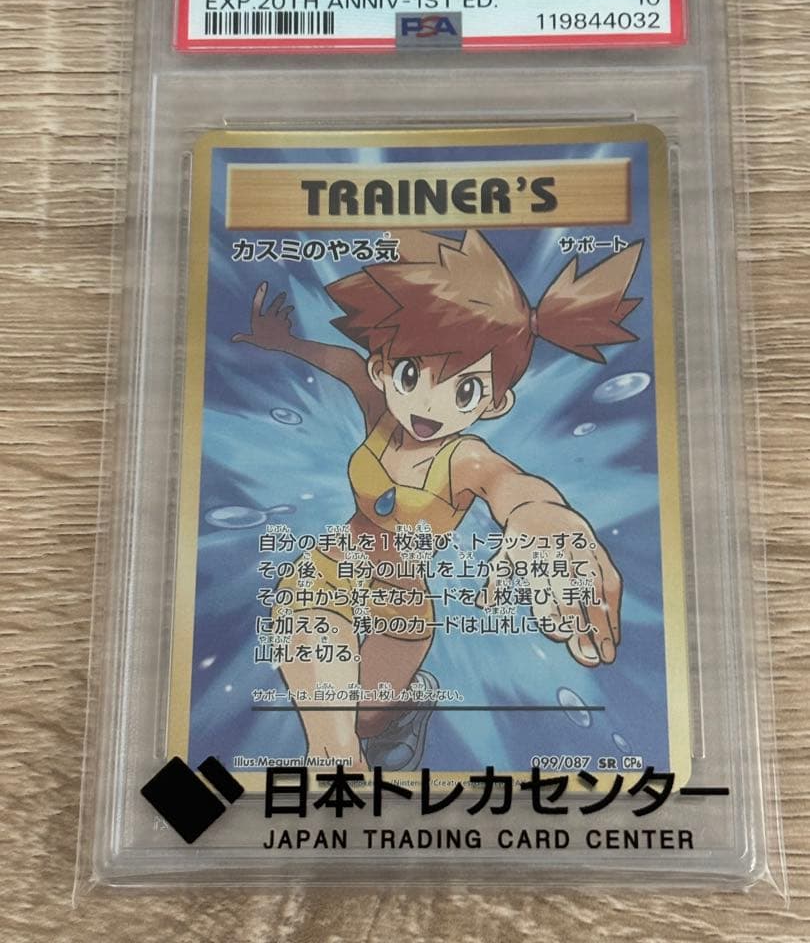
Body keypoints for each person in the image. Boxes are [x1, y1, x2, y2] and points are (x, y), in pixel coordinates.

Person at [233, 230, 641, 769]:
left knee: (368, 718)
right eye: (411, 374)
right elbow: (346, 363)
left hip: (403, 598)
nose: (430, 403)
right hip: (330, 574)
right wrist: (286, 344)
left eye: (464, 389)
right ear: (384, 369)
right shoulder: (381, 410)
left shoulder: (464, 457)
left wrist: (543, 516)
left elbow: (508, 484)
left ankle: (401, 711)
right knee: (335, 747)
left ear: (495, 403)